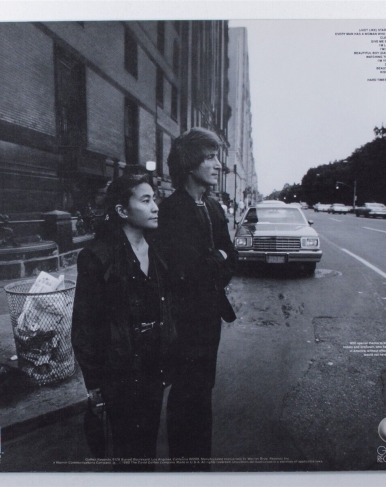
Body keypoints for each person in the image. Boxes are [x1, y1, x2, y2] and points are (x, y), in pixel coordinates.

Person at [71, 174, 176, 471]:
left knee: (148, 444)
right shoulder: (97, 257)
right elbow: (84, 326)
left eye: (154, 199)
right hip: (119, 372)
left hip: (154, 365)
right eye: (146, 200)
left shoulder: (158, 250)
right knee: (128, 452)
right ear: (121, 210)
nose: (155, 207)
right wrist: (94, 385)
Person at [155, 127, 237, 470]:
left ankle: (200, 466)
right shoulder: (172, 210)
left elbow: (231, 257)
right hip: (184, 321)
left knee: (204, 393)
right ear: (190, 164)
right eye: (210, 158)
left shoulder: (214, 207)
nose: (218, 165)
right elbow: (187, 272)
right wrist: (217, 260)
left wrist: (217, 260)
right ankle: (185, 469)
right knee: (187, 394)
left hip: (209, 319)